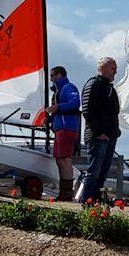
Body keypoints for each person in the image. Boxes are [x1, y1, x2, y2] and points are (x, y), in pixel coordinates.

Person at [80, 57, 121, 203]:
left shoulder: (109, 87)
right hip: (98, 137)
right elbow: (87, 111)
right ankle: (87, 202)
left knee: (103, 173)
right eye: (113, 68)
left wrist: (116, 132)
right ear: (103, 68)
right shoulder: (94, 84)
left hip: (110, 136)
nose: (115, 71)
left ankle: (95, 201)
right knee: (94, 172)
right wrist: (99, 132)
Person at [45, 66, 80, 201]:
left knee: (65, 159)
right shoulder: (58, 91)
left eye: (53, 75)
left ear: (60, 75)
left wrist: (57, 107)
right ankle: (64, 191)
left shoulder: (68, 87)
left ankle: (67, 193)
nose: (51, 78)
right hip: (60, 128)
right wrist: (49, 119)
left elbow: (75, 103)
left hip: (67, 128)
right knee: (60, 159)